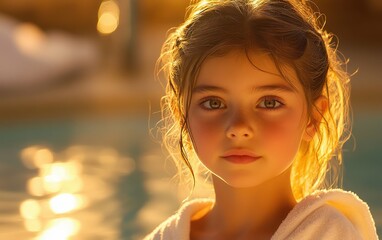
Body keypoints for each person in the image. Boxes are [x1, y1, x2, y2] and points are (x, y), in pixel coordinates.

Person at [145, 0, 379, 239]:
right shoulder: (165, 236)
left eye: (269, 103)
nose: (238, 128)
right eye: (214, 103)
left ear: (313, 117)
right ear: (181, 115)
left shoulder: (330, 234)